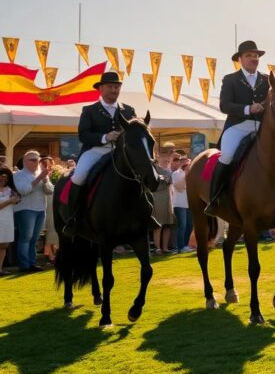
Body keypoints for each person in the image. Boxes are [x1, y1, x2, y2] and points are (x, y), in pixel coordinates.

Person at [63, 71, 149, 236]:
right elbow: (83, 135)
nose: (114, 90)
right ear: (101, 89)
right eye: (110, 87)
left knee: (142, 174)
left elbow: (136, 132)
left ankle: (146, 213)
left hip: (120, 153)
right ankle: (74, 217)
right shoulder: (89, 110)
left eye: (117, 87)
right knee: (78, 176)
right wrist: (105, 137)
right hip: (96, 150)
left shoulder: (128, 110)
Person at [208, 40, 270, 215]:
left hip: (262, 128)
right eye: (249, 55)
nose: (253, 58)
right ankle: (215, 197)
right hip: (238, 126)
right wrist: (247, 109)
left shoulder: (267, 79)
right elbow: (224, 105)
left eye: (256, 56)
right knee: (227, 155)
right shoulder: (230, 79)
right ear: (240, 59)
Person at [13, 150, 53, 271]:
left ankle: (32, 263)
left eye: (38, 160)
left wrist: (45, 180)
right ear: (25, 162)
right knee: (26, 237)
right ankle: (24, 265)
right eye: (33, 160)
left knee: (35, 238)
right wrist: (39, 178)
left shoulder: (41, 173)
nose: (37, 162)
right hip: (25, 209)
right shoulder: (18, 175)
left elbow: (50, 190)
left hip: (40, 209)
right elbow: (23, 190)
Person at [151, 144, 175, 254]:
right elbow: (154, 185)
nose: (167, 158)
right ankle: (158, 248)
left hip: (168, 199)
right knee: (158, 225)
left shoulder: (169, 171)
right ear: (157, 156)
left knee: (167, 225)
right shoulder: (153, 169)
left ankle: (165, 247)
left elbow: (169, 183)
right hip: (157, 199)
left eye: (168, 155)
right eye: (163, 155)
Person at [172, 152, 194, 252]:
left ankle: (186, 245)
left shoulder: (191, 175)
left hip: (189, 204)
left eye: (187, 161)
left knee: (190, 225)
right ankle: (181, 247)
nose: (186, 163)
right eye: (183, 161)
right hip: (179, 204)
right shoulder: (176, 174)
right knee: (182, 226)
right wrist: (186, 174)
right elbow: (180, 188)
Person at [0, 167, 20, 275]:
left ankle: (0, 268)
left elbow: (17, 199)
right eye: (1, 176)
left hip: (7, 220)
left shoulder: (10, 190)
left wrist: (16, 199)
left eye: (6, 177)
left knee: (3, 245)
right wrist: (9, 201)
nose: (3, 178)